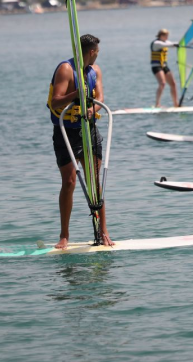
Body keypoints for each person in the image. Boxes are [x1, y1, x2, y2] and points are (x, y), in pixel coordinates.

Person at [47, 33, 112, 249]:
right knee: (69, 182)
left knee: (95, 182)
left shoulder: (96, 70)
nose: (97, 56)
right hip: (67, 131)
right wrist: (74, 95)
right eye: (97, 53)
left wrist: (93, 109)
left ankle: (104, 232)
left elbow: (100, 97)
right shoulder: (66, 69)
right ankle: (64, 235)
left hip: (89, 129)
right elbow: (55, 102)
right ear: (91, 51)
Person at [149, 28, 179, 108]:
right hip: (156, 66)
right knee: (162, 83)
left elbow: (173, 44)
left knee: (173, 84)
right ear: (161, 35)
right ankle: (157, 104)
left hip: (164, 66)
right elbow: (169, 45)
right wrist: (175, 45)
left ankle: (176, 104)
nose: (167, 37)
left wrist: (188, 43)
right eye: (166, 36)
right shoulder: (156, 43)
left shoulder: (165, 42)